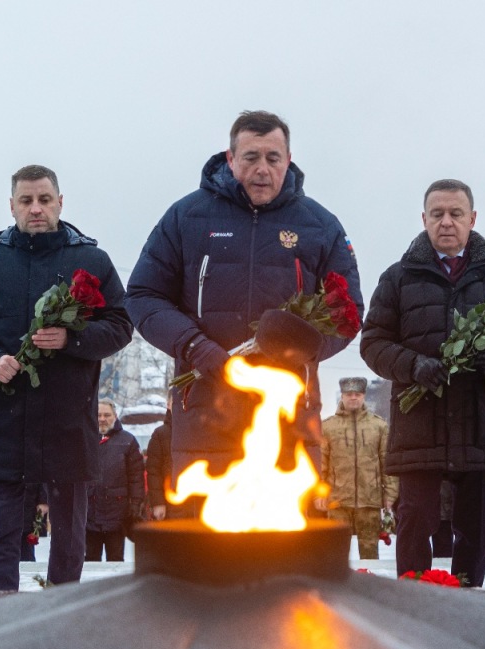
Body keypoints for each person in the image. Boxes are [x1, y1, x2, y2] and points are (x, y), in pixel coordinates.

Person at [126, 110, 363, 482]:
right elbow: (143, 295)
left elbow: (348, 313)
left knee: (286, 539)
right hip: (204, 412)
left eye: (273, 158)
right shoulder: (186, 217)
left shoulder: (320, 226)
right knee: (199, 538)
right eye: (251, 157)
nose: (262, 169)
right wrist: (195, 348)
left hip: (288, 417)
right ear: (231, 158)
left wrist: (303, 346)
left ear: (289, 161)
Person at [0, 165, 132, 590]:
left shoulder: (91, 261)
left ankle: (61, 629)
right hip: (3, 423)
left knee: (69, 541)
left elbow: (121, 326)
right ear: (11, 206)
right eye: (26, 201)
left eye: (44, 200)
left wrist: (71, 337)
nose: (35, 209)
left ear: (60, 203)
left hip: (66, 424)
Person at [361, 179, 485, 587]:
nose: (446, 222)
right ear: (423, 219)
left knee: (475, 532)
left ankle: (468, 604)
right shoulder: (399, 278)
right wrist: (413, 365)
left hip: (481, 426)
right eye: (437, 214)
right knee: (415, 525)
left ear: (472, 219)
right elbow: (372, 344)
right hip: (420, 427)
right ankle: (414, 604)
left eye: (456, 214)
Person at [318, 377, 398, 560]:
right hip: (337, 499)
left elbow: (387, 461)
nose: (353, 398)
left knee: (370, 550)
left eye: (357, 394)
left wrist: (390, 495)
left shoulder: (379, 426)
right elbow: (321, 463)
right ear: (343, 396)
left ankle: (368, 586)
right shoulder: (328, 427)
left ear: (363, 396)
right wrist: (319, 493)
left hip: (369, 499)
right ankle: (337, 586)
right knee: (336, 551)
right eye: (349, 394)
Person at [85, 400, 145, 562]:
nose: (102, 419)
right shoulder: (85, 439)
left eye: (107, 415)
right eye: (98, 415)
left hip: (117, 515)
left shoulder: (128, 441)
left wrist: (135, 505)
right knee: (89, 561)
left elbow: (136, 477)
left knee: (116, 560)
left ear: (115, 416)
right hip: (89, 514)